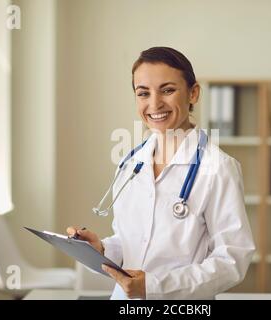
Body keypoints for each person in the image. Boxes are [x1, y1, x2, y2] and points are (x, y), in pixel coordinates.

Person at [67, 47, 255, 300]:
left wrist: (155, 286)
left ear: (193, 93)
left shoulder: (218, 167)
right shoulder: (130, 163)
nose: (154, 104)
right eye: (143, 93)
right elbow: (131, 242)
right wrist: (101, 248)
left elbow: (232, 261)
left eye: (167, 90)